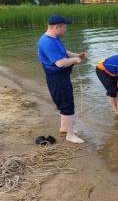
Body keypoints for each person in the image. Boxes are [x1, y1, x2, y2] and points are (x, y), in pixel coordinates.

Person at [37, 14, 87, 144]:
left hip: (61, 77)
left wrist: (77, 55)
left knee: (65, 103)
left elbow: (64, 52)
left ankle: (65, 127)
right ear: (56, 27)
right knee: (67, 104)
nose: (66, 29)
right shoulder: (46, 42)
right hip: (56, 79)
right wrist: (75, 60)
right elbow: (60, 62)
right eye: (64, 27)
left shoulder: (55, 38)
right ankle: (70, 135)